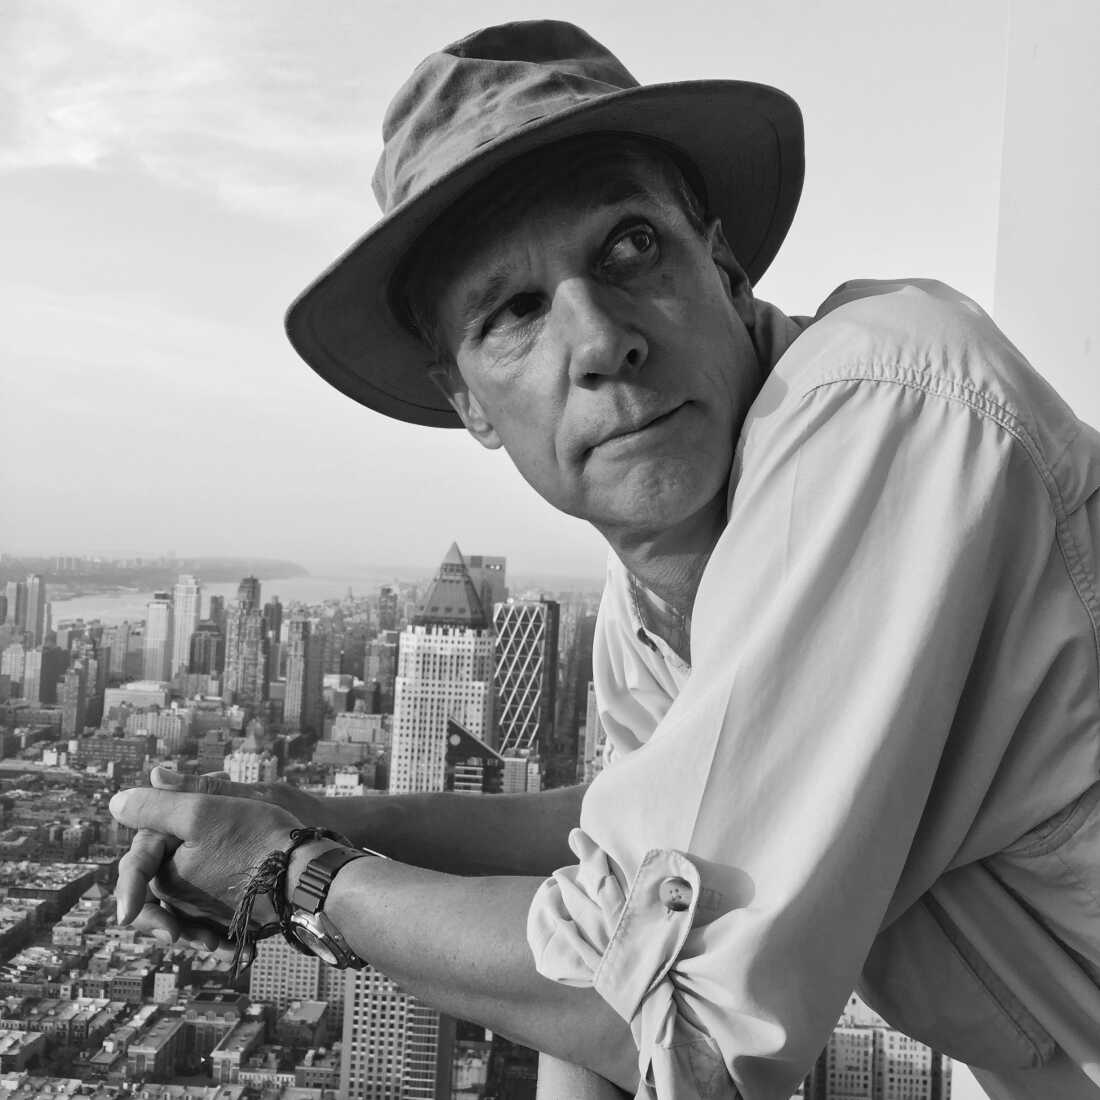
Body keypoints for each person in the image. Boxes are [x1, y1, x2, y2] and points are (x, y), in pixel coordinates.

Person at [109, 19, 1100, 1100]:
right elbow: (621, 875)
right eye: (515, 310)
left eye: (629, 247)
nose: (598, 341)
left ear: (718, 265)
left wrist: (293, 877)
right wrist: (331, 817)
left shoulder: (883, 407)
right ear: (468, 403)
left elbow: (685, 1020)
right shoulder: (648, 603)